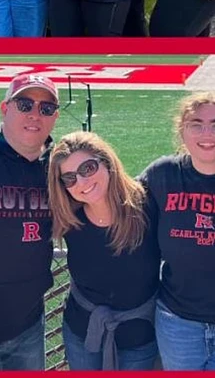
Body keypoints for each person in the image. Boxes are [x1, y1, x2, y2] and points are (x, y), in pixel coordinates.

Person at [138, 92, 215, 369]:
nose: (207, 133)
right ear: (182, 131)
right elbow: (119, 201)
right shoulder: (163, 174)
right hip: (178, 323)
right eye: (196, 124)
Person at [48, 132, 158, 370]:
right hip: (82, 334)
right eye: (69, 178)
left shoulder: (148, 205)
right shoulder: (69, 218)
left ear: (106, 162)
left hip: (139, 336)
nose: (82, 182)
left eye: (88, 168)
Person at [0, 74, 59, 370]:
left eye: (46, 108)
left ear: (55, 117)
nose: (35, 114)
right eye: (25, 104)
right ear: (4, 108)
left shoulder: (58, 168)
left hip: (28, 325)